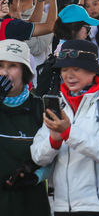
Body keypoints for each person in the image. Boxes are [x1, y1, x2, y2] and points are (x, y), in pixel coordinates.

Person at [31, 40, 99, 215]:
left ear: (92, 71)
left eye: (76, 68)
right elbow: (38, 156)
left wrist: (68, 132)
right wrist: (54, 140)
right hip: (61, 207)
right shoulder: (59, 105)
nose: (69, 75)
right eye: (65, 69)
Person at [0, 40, 51, 215]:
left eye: (12, 65)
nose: (4, 72)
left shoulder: (39, 107)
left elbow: (55, 155)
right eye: (0, 65)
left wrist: (36, 175)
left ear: (25, 72)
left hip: (32, 204)